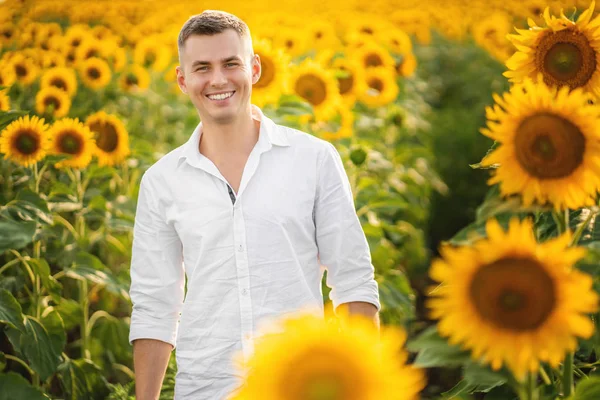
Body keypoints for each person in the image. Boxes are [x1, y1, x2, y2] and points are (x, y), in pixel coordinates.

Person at [128, 10, 380, 400]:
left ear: (255, 69)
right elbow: (155, 307)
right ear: (182, 79)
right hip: (206, 388)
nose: (218, 80)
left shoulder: (312, 158)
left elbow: (353, 282)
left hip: (301, 387)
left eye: (231, 64)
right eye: (201, 68)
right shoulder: (162, 181)